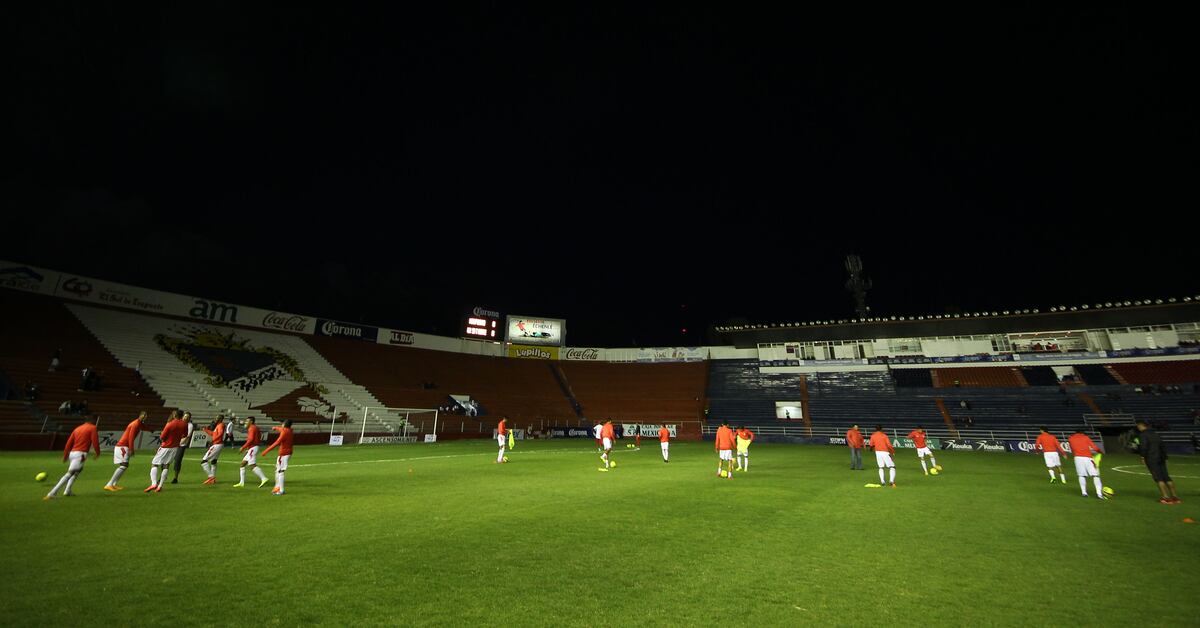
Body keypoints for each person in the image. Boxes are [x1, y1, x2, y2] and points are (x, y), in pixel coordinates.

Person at [45, 415, 101, 500]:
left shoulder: (77, 429)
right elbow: (95, 441)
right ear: (92, 420)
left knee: (77, 471)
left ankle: (67, 490)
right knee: (70, 473)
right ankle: (52, 493)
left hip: (73, 453)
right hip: (81, 454)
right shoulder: (92, 428)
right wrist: (98, 452)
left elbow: (68, 443)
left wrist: (65, 455)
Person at [1133, 419, 1181, 504]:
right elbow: (1162, 446)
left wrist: (1142, 457)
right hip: (1161, 458)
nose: (1138, 427)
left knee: (1158, 478)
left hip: (1152, 458)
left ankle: (1165, 497)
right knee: (1166, 477)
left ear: (1141, 425)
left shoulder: (1143, 435)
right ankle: (1175, 497)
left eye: (1138, 425)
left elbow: (1143, 447)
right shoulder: (1155, 434)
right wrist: (1165, 457)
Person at [104, 411, 150, 491]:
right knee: (124, 465)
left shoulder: (139, 423)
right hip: (122, 446)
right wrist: (131, 449)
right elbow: (131, 437)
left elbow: (143, 427)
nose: (146, 417)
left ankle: (114, 484)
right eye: (145, 416)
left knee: (124, 465)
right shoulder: (135, 424)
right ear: (141, 416)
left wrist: (151, 430)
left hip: (124, 446)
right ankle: (109, 484)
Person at [146, 411, 186, 493]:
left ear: (175, 415)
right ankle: (160, 486)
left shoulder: (170, 424)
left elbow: (162, 437)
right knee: (166, 465)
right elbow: (185, 434)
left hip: (165, 447)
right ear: (182, 416)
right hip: (175, 447)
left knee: (154, 464)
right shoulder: (184, 424)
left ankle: (154, 484)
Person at [1066, 429, 1106, 500]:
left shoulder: (1071, 438)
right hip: (1088, 458)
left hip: (1077, 458)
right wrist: (1100, 451)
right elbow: (1094, 447)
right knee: (1095, 475)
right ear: (1083, 433)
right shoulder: (1085, 437)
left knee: (1081, 475)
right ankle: (1099, 494)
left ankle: (1084, 493)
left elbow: (1071, 447)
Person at [262, 419, 294, 495]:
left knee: (280, 471)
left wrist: (266, 450)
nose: (281, 425)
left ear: (284, 424)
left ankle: (281, 490)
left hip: (283, 454)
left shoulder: (284, 432)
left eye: (282, 423)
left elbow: (277, 442)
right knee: (278, 470)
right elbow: (281, 429)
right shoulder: (289, 430)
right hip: (289, 453)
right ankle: (277, 487)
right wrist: (275, 428)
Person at [235, 417, 269, 488]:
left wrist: (243, 447)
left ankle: (263, 478)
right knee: (242, 464)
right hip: (252, 448)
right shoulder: (255, 428)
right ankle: (241, 482)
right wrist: (248, 449)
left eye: (247, 421)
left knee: (252, 465)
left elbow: (250, 439)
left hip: (253, 448)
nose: (245, 422)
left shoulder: (252, 428)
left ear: (251, 421)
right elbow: (257, 437)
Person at [200, 415, 227, 484]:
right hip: (218, 444)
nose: (216, 419)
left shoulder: (221, 425)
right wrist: (205, 430)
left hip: (217, 444)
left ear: (221, 419)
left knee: (204, 461)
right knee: (213, 461)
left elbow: (220, 434)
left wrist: (213, 441)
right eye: (216, 417)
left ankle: (211, 477)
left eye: (218, 418)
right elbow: (213, 434)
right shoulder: (218, 425)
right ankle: (213, 479)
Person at [170, 412, 194, 484]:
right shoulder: (178, 422)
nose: (185, 418)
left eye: (187, 417)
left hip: (181, 445)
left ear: (189, 418)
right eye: (185, 416)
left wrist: (179, 442)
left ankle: (175, 478)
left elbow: (188, 436)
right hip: (174, 444)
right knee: (166, 460)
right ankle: (163, 476)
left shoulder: (189, 425)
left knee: (177, 461)